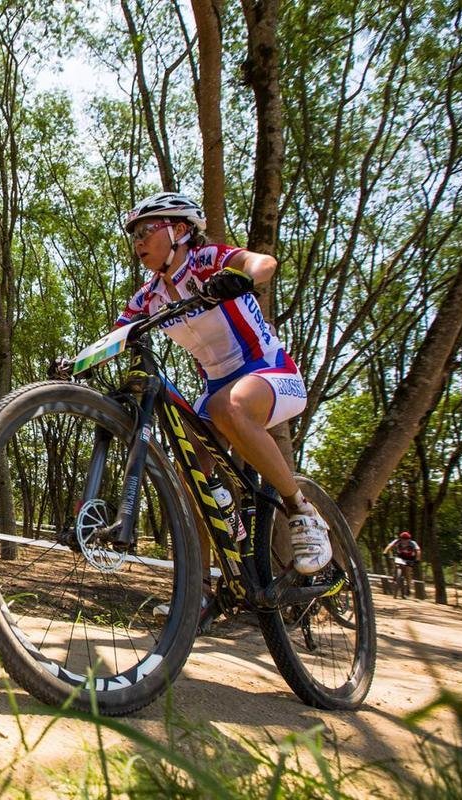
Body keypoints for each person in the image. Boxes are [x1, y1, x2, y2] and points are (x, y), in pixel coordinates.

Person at [115, 192, 332, 577]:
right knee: (190, 474)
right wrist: (73, 365)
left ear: (180, 230)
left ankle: (301, 510)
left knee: (227, 406)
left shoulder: (206, 260)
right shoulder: (148, 297)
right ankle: (204, 586)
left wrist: (238, 278)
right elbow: (113, 336)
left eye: (148, 230)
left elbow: (263, 263)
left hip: (270, 373)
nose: (139, 242)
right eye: (134, 235)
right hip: (217, 389)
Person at [383, 531, 420, 598]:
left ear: (409, 539)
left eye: (406, 539)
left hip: (410, 558)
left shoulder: (413, 543)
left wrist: (417, 559)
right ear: (400, 538)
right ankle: (395, 576)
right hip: (400, 556)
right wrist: (385, 552)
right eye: (403, 539)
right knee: (396, 562)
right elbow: (390, 545)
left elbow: (418, 550)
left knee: (408, 571)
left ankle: (408, 587)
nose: (404, 541)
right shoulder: (397, 541)